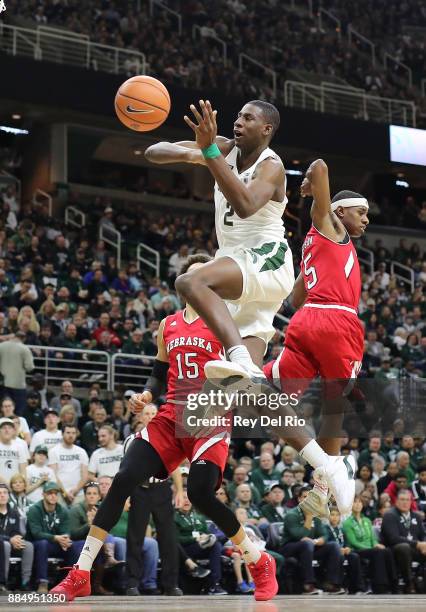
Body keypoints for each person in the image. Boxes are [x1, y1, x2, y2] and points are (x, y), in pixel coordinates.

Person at [50, 255, 279, 602]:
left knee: (201, 493)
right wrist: (145, 395)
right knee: (124, 475)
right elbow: (158, 373)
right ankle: (80, 572)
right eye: (191, 275)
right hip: (171, 415)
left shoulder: (226, 321)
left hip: (210, 416)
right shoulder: (167, 324)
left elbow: (245, 372)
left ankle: (257, 560)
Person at [146, 99, 294, 382]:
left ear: (266, 129)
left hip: (266, 257)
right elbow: (154, 151)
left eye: (248, 118)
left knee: (191, 281)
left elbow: (246, 204)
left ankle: (236, 353)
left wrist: (209, 152)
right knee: (244, 389)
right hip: (237, 261)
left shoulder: (271, 166)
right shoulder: (224, 148)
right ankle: (296, 426)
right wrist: (193, 154)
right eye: (238, 115)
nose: (238, 122)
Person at [263, 158, 369, 517]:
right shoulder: (330, 226)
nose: (366, 219)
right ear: (340, 212)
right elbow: (323, 165)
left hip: (305, 322)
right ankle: (334, 471)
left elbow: (295, 299)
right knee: (335, 406)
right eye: (361, 212)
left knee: (274, 393)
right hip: (336, 320)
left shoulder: (314, 242)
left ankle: (238, 380)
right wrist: (311, 184)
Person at [123, 404, 183, 596]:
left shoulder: (169, 439)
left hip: (162, 489)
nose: (149, 416)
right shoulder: (132, 440)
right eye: (146, 413)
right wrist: (125, 495)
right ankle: (132, 582)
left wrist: (180, 491)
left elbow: (174, 467)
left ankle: (171, 584)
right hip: (139, 489)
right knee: (135, 537)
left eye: (153, 413)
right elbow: (126, 471)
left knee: (168, 538)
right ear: (140, 417)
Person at [280, 487, 345, 594]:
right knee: (306, 543)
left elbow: (324, 534)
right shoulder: (292, 515)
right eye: (305, 497)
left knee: (333, 546)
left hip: (309, 547)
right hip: (289, 547)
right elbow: (299, 536)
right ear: (299, 499)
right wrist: (309, 518)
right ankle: (308, 584)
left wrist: (319, 540)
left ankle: (331, 583)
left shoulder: (316, 515)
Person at [26, 481, 83, 593]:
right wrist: (56, 538)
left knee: (73, 546)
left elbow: (66, 531)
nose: (53, 496)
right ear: (43, 495)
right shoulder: (35, 509)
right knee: (43, 544)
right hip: (36, 544)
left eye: (55, 493)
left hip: (55, 543)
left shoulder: (62, 510)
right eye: (49, 493)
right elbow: (36, 533)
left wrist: (65, 540)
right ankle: (43, 583)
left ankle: (68, 583)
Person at [342, 496, 396, 593]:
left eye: (360, 502)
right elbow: (353, 542)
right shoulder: (347, 523)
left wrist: (376, 544)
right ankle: (380, 586)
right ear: (350, 505)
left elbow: (372, 538)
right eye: (355, 502)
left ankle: (393, 584)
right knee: (378, 552)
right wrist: (372, 548)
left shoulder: (367, 520)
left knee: (387, 551)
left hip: (371, 550)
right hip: (356, 550)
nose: (358, 504)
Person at [381, 489, 426, 593]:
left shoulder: (416, 516)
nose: (405, 502)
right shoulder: (390, 515)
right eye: (402, 499)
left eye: (407, 500)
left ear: (411, 502)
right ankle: (409, 583)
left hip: (415, 549)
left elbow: (423, 535)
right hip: (394, 549)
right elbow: (393, 538)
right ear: (396, 501)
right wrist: (418, 544)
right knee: (404, 547)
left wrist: (424, 544)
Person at [0, 483, 34, 591]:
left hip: (12, 543)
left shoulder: (14, 513)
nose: (2, 495)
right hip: (4, 544)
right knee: (5, 545)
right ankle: (2, 584)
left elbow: (17, 531)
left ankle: (25, 582)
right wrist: (9, 539)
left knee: (28, 545)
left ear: (8, 496)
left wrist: (17, 539)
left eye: (5, 493)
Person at [325, 506, 364, 594]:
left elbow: (347, 543)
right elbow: (326, 543)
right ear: (328, 516)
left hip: (343, 552)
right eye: (332, 515)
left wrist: (347, 548)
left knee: (354, 557)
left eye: (337, 515)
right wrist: (339, 550)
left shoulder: (342, 529)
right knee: (339, 558)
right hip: (332, 554)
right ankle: (337, 585)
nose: (334, 517)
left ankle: (357, 588)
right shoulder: (325, 529)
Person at [48, 425, 89, 505]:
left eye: (73, 433)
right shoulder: (54, 451)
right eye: (68, 433)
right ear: (62, 434)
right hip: (59, 494)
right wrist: (64, 493)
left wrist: (75, 490)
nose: (71, 435)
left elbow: (85, 476)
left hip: (78, 494)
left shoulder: (81, 451)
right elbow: (53, 475)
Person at [0, 331, 34, 415]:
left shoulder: (1, 346)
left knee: (3, 410)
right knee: (18, 412)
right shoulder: (24, 348)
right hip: (18, 385)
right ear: (24, 338)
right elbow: (29, 367)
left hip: (2, 383)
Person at [0, 417, 27, 485]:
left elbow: (23, 471)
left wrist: (21, 486)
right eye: (4, 428)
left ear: (13, 431)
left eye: (9, 428)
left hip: (16, 488)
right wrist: (8, 485)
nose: (7, 430)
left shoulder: (20, 447)